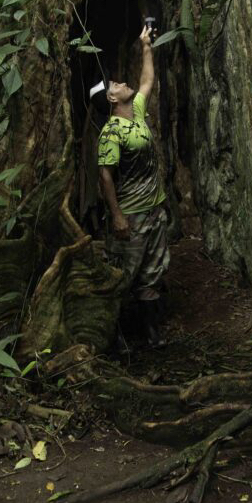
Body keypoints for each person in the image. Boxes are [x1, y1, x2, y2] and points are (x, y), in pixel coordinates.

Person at [93, 22, 169, 347]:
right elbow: (105, 174)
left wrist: (146, 46)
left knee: (152, 270)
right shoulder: (111, 132)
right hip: (132, 214)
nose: (123, 82)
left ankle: (152, 334)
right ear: (111, 98)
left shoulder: (136, 111)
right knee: (125, 274)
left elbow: (147, 80)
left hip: (154, 210)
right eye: (116, 83)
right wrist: (118, 216)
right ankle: (116, 336)